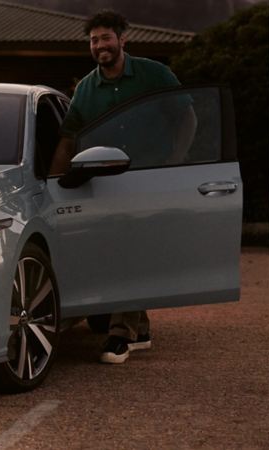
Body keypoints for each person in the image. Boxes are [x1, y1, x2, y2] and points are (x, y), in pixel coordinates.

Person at [49, 10, 186, 364]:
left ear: (123, 39)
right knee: (119, 251)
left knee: (131, 249)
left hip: (148, 179)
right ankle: (139, 328)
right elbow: (68, 140)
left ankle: (119, 333)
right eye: (94, 40)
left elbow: (187, 117)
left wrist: (174, 163)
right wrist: (54, 181)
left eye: (106, 38)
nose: (99, 46)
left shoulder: (156, 74)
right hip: (104, 183)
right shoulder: (85, 90)